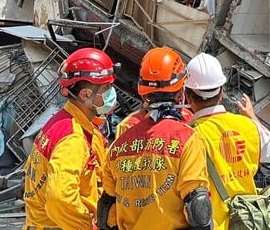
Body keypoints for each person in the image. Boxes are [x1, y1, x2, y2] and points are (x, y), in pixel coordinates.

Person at [103, 47, 212, 230]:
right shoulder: (186, 138)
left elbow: (107, 207)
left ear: (143, 92)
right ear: (180, 92)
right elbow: (197, 204)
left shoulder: (119, 145)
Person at [23, 47, 119, 230]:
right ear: (85, 95)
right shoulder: (73, 137)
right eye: (106, 87)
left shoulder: (62, 123)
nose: (111, 93)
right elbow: (60, 198)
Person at [184, 53, 270, 230]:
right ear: (221, 92)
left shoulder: (189, 137)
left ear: (187, 96)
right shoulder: (248, 126)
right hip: (248, 222)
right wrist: (252, 117)